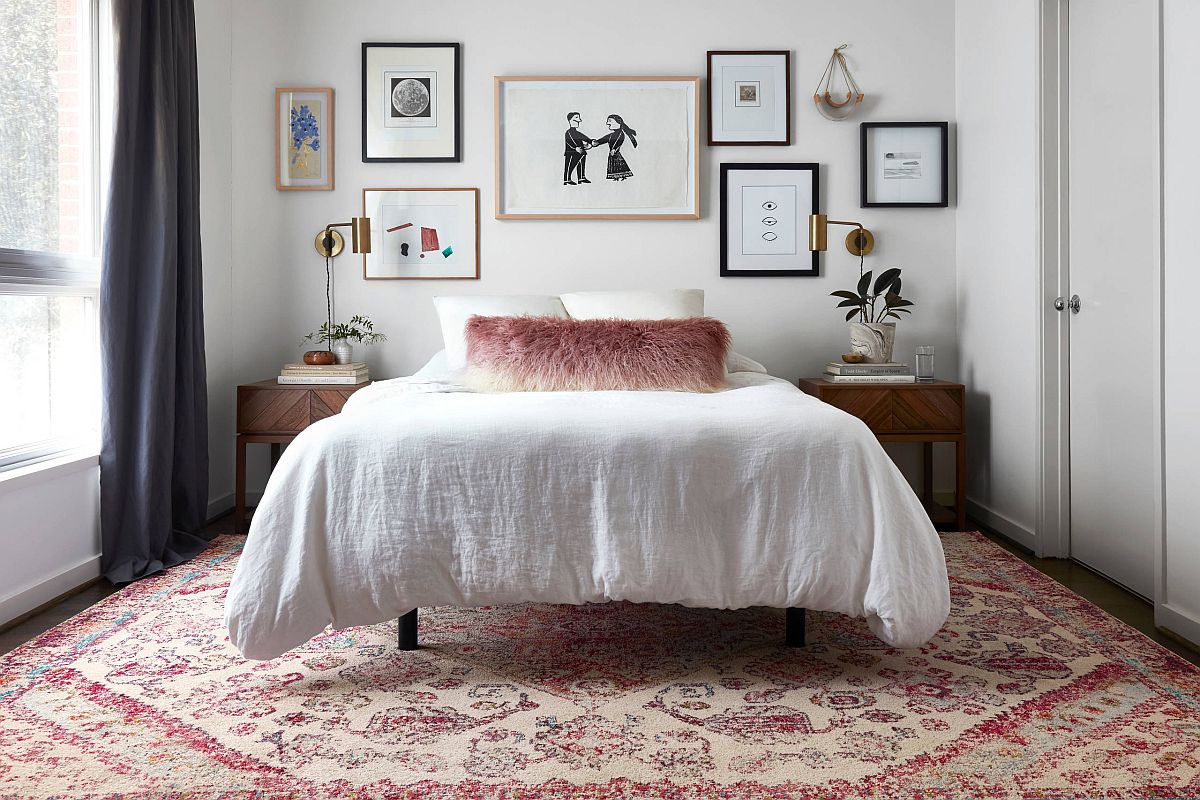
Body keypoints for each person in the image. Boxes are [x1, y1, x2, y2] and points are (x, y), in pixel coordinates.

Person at [590, 114, 637, 181]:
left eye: (609, 121)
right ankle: (616, 177)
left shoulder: (620, 134)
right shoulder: (612, 135)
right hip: (612, 152)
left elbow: (618, 142)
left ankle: (621, 177)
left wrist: (614, 149)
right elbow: (603, 140)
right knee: (614, 164)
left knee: (618, 164)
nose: (607, 123)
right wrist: (595, 142)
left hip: (615, 153)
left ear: (618, 122)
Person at [563, 112, 593, 185]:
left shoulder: (577, 132)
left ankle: (581, 177)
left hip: (581, 151)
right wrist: (575, 148)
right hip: (571, 152)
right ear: (570, 120)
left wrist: (591, 141)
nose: (579, 120)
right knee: (570, 165)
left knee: (581, 164)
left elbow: (584, 137)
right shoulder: (568, 132)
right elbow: (570, 141)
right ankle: (567, 179)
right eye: (576, 118)